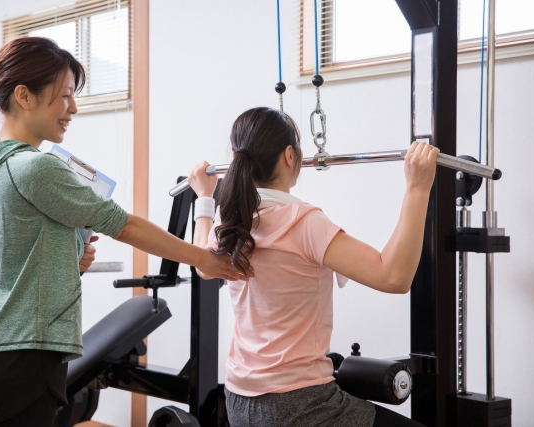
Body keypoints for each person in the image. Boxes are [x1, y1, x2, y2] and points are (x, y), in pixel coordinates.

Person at [0, 37, 248, 427]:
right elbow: (123, 225)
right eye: (64, 96)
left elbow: (11, 258)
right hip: (27, 346)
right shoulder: (37, 168)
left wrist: (67, 261)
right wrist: (204, 258)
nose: (72, 109)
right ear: (24, 96)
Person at [187, 107, 437, 427]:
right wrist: (418, 188)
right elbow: (394, 276)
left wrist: (204, 198)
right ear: (290, 155)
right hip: (300, 406)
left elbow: (203, 267)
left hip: (239, 402)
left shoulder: (230, 219)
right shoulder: (304, 223)